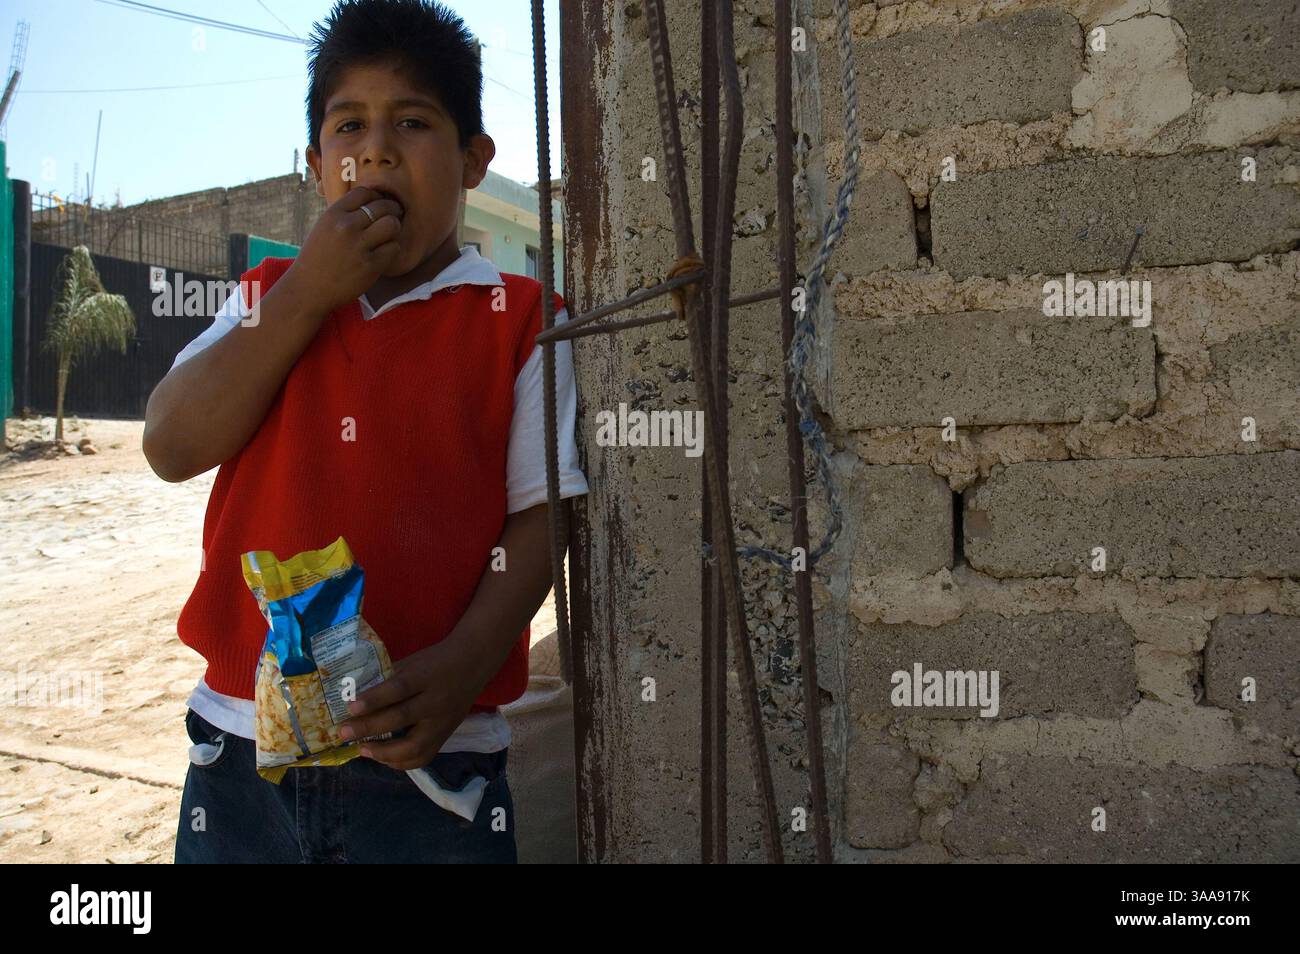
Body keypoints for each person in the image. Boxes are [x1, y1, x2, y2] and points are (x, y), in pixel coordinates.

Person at [142, 0, 587, 863]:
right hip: (241, 751)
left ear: (471, 161)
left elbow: (543, 518)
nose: (374, 150)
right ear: (317, 166)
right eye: (349, 126)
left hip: (434, 760)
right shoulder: (267, 298)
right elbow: (171, 445)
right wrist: (309, 292)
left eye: (412, 122)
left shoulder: (519, 321)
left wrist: (464, 667)